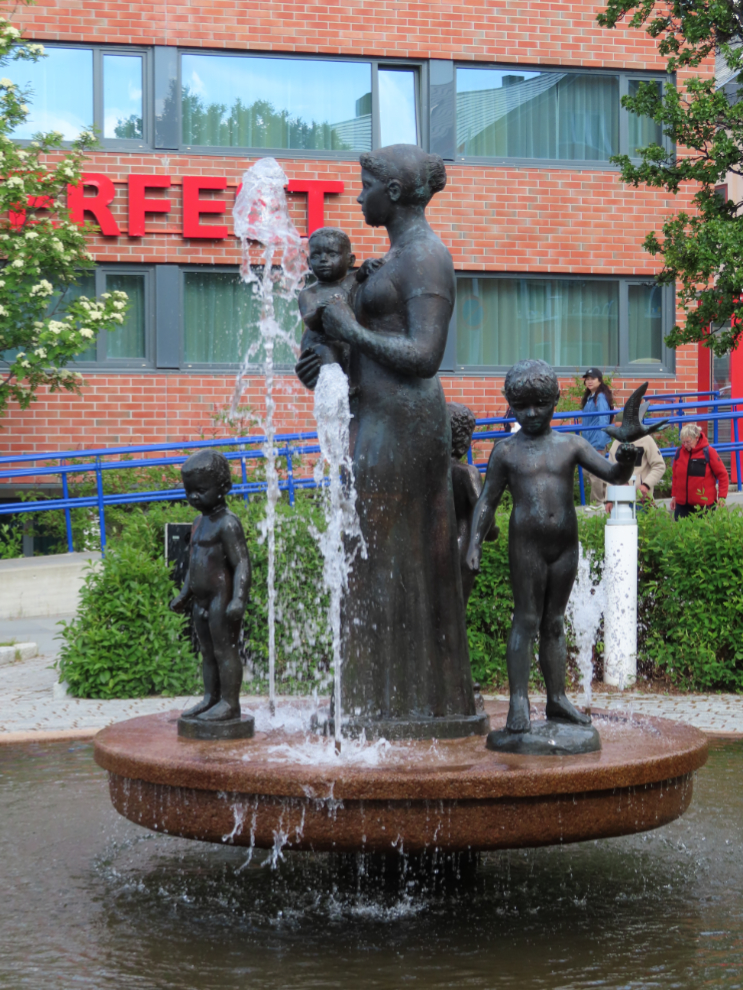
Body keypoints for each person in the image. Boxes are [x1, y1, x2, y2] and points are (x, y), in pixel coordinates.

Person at [296, 144, 478, 730]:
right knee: (371, 558)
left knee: (376, 557)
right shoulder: (393, 257)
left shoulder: (425, 258)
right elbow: (374, 348)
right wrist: (330, 365)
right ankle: (378, 700)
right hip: (376, 417)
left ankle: (393, 705)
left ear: (393, 192)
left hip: (404, 425)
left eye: (366, 184)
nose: (358, 196)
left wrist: (350, 328)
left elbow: (424, 355)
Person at [465, 359, 637, 734]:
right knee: (526, 620)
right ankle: (519, 702)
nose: (530, 414)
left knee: (554, 623)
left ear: (556, 400)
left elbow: (612, 475)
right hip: (526, 545)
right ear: (509, 402)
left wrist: (625, 458)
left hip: (564, 547)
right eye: (521, 406)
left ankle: (557, 698)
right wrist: (474, 543)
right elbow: (487, 502)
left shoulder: (571, 445)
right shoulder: (506, 451)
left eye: (539, 405)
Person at [170, 450, 251, 722]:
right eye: (189, 491)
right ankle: (210, 698)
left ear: (224, 487)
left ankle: (230, 703)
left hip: (221, 598)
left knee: (224, 649)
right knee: (207, 652)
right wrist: (184, 594)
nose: (193, 497)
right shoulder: (197, 523)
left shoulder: (227, 523)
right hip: (200, 600)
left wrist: (239, 598)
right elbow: (194, 564)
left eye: (201, 490)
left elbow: (241, 563)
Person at [448, 402, 498, 605]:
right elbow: (484, 511)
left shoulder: (428, 472)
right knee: (457, 609)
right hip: (463, 549)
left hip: (434, 547)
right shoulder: (467, 474)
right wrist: (493, 531)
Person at [295, 227, 357, 386]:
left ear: (350, 260)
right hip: (320, 345)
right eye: (316, 255)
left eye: (332, 254)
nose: (323, 259)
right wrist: (321, 311)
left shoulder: (354, 283)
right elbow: (310, 321)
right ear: (309, 263)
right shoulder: (309, 293)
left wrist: (371, 265)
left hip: (347, 346)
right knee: (326, 352)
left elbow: (364, 273)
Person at [606, 403, 665, 512]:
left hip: (641, 499)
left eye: (621, 427)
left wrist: (646, 485)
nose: (619, 432)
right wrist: (609, 499)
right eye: (617, 428)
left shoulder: (646, 440)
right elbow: (611, 472)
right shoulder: (615, 444)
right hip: (619, 499)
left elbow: (659, 466)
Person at [670, 423, 729, 520]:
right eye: (683, 442)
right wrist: (674, 496)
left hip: (704, 506)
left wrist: (722, 496)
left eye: (688, 442)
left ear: (697, 438)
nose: (685, 445)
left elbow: (723, 475)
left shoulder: (709, 452)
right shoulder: (679, 451)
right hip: (682, 505)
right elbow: (676, 476)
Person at [580, 367, 614, 505]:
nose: (589, 381)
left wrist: (600, 444)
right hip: (588, 441)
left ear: (599, 380)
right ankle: (607, 499)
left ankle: (597, 504)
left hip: (596, 441)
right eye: (587, 379)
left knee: (594, 474)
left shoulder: (600, 397)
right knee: (588, 472)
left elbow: (603, 421)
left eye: (592, 378)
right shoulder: (589, 397)